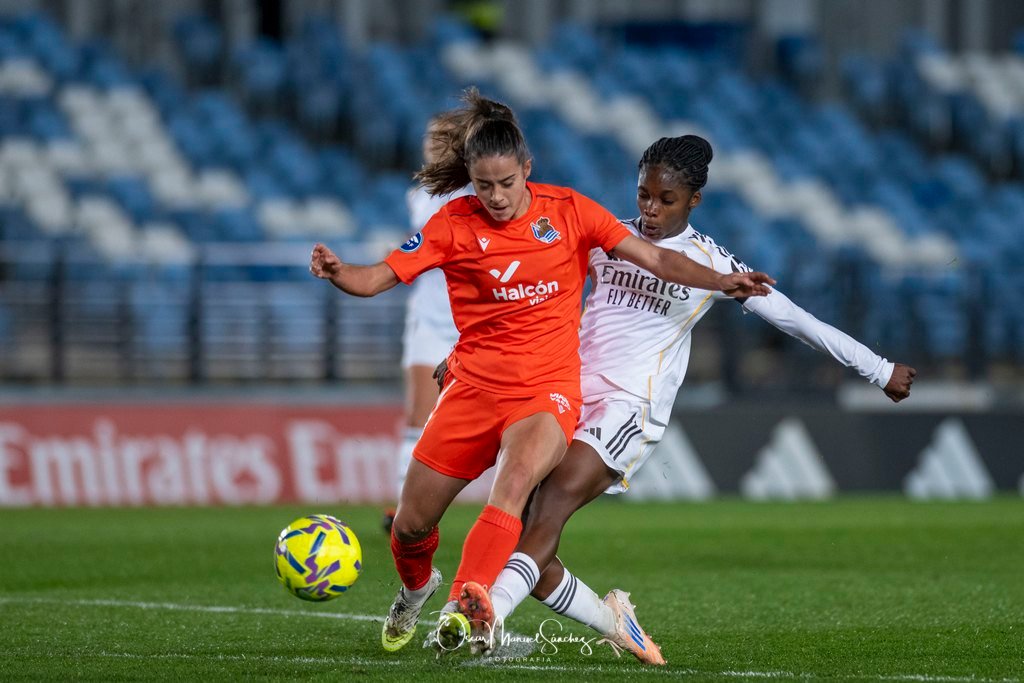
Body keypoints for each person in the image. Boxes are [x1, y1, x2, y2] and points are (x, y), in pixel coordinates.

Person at [308, 89, 775, 654]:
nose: (497, 197)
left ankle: (461, 609)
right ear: (470, 180)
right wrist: (339, 272)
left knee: (512, 489)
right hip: (473, 389)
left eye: (507, 183)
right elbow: (379, 276)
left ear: (527, 169)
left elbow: (655, 257)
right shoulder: (451, 224)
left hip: (545, 394)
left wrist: (721, 281)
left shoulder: (570, 211)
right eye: (484, 185)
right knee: (410, 526)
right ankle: (416, 589)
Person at [458, 134, 916, 664]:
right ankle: (614, 622)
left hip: (629, 407)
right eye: (643, 195)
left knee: (551, 505)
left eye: (666, 199)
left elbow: (795, 319)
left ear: (694, 200)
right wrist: (464, 353)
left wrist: (878, 368)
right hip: (565, 393)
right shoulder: (608, 238)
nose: (650, 210)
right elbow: (528, 297)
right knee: (521, 533)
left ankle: (489, 615)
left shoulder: (710, 263)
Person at [383, 117, 474, 534]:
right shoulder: (419, 194)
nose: (431, 144)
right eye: (429, 137)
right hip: (430, 316)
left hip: (470, 318)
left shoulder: (477, 192)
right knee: (419, 414)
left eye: (441, 138)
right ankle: (403, 507)